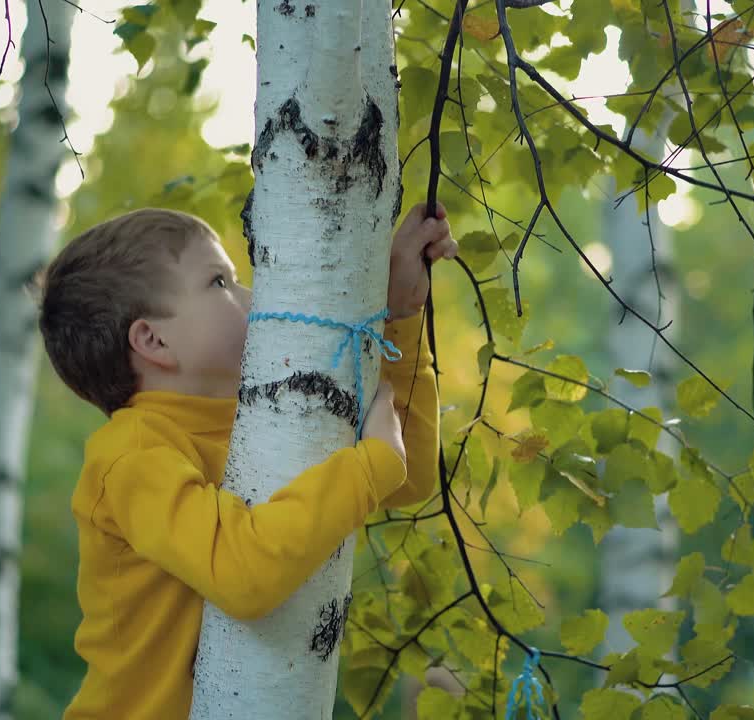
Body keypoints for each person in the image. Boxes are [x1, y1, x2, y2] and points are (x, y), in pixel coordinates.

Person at [36, 202, 458, 720]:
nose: (250, 296)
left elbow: (407, 477)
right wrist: (367, 466)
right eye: (219, 282)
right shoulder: (132, 455)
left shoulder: (261, 419)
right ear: (152, 339)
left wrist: (398, 319)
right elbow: (242, 572)